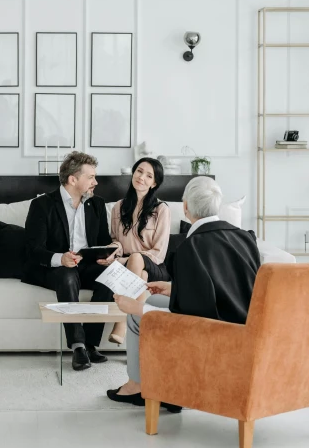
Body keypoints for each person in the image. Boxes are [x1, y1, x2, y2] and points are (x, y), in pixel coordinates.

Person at [106, 176, 261, 408]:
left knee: (136, 315)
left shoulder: (190, 248)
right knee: (157, 297)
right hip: (246, 327)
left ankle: (140, 387)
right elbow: (226, 288)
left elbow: (189, 317)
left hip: (216, 333)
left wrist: (137, 307)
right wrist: (176, 289)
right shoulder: (245, 237)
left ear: (185, 206)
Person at [22, 151, 117, 371]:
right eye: (91, 177)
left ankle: (92, 344)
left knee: (110, 277)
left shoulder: (97, 205)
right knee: (66, 277)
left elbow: (103, 241)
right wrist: (60, 258)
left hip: (88, 264)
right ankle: (78, 346)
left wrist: (107, 256)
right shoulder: (42, 205)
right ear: (73, 179)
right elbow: (32, 249)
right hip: (57, 267)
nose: (96, 182)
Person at [98, 157, 171, 345]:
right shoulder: (118, 207)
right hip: (131, 267)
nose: (141, 177)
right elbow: (115, 240)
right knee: (142, 275)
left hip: (155, 265)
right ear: (133, 173)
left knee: (138, 260)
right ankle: (138, 335)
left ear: (154, 183)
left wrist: (125, 260)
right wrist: (114, 253)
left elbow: (159, 251)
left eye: (149, 176)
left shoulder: (161, 209)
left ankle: (121, 323)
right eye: (139, 171)